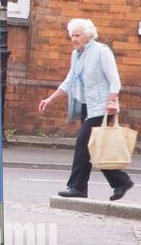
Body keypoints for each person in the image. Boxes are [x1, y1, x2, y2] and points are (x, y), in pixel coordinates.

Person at [38, 18, 134, 200]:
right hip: (86, 107)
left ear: (88, 35)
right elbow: (69, 81)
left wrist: (112, 101)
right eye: (72, 35)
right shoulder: (76, 55)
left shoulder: (101, 51)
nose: (74, 39)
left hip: (102, 107)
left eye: (78, 35)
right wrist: (50, 99)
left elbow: (115, 80)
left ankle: (78, 187)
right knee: (95, 147)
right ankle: (121, 181)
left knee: (83, 144)